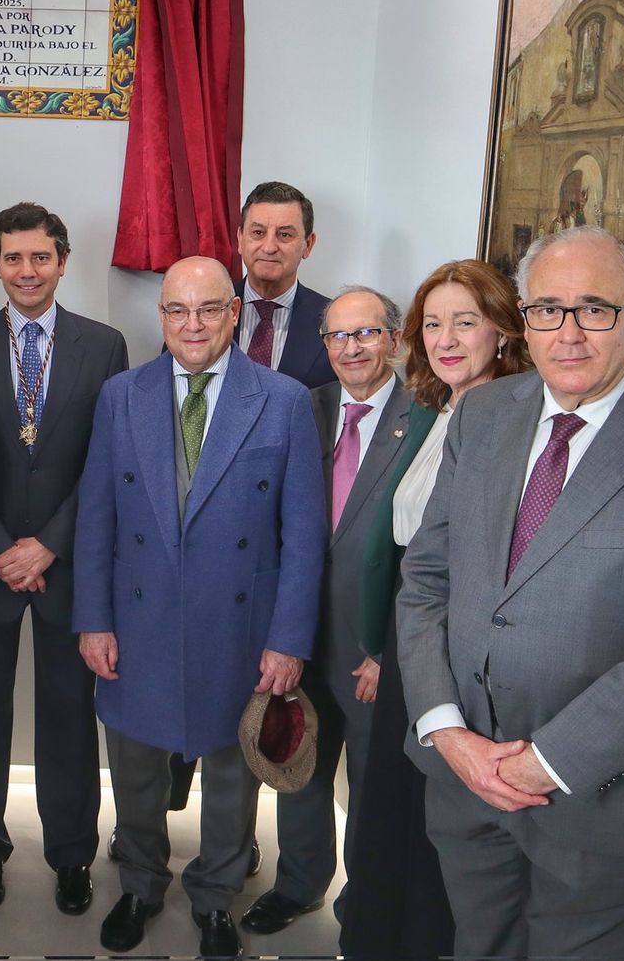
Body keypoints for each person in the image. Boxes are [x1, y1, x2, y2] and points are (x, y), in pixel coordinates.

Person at [397, 226, 624, 957]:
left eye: (594, 309)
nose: (567, 334)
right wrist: (447, 730)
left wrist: (547, 761)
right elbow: (426, 580)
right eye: (547, 309)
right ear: (524, 319)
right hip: (468, 782)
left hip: (606, 802)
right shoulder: (483, 413)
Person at [74, 256, 325, 958]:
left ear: (234, 311)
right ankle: (140, 885)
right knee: (135, 766)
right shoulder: (121, 396)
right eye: (177, 311)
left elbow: (302, 537)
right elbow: (96, 517)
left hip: (238, 624)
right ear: (161, 317)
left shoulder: (280, 401)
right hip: (136, 620)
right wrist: (92, 618)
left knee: (229, 773)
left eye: (209, 309)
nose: (192, 325)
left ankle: (216, 897)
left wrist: (288, 640)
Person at [340, 258, 527, 960]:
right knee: (390, 816)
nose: (447, 339)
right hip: (410, 632)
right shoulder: (439, 406)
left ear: (503, 330)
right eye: (434, 324)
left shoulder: (513, 419)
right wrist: (382, 645)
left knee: (428, 827)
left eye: (466, 322)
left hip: (452, 650)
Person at [0, 203, 128, 916]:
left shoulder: (104, 344)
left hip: (68, 563)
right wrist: (2, 547)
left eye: (41, 258)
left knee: (67, 716)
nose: (28, 271)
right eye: (14, 258)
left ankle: (71, 855)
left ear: (63, 261)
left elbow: (108, 462)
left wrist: (50, 541)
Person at [242, 286, 411, 938]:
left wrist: (390, 647)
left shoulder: (426, 418)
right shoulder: (300, 410)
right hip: (301, 632)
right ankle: (299, 885)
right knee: (299, 766)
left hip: (372, 646)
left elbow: (431, 554)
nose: (351, 349)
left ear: (394, 340)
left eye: (365, 334)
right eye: (338, 336)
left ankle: (365, 903)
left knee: (371, 786)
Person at [233, 181, 335, 389]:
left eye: (285, 235)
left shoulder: (334, 322)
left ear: (308, 244)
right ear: (240, 239)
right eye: (258, 233)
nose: (269, 247)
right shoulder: (203, 314)